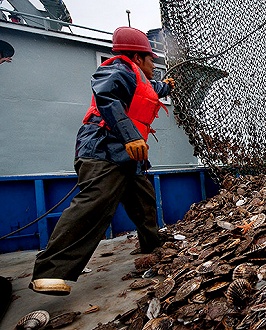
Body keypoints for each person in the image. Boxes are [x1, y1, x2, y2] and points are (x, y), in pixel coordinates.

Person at [29, 26, 175, 295]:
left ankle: (152, 247)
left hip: (128, 158)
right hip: (103, 150)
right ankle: (50, 273)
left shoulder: (138, 78)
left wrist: (167, 86)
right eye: (151, 59)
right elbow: (107, 97)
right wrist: (130, 136)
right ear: (137, 57)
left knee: (144, 203)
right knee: (94, 205)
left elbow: (153, 88)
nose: (154, 64)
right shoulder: (118, 69)